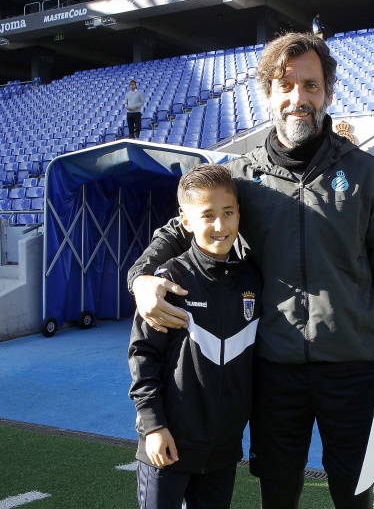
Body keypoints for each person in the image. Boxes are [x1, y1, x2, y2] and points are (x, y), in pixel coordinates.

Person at [127, 32, 374, 509]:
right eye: (285, 85)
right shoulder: (242, 177)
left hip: (352, 368)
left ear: (327, 92)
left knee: (355, 492)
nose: (298, 97)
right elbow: (179, 228)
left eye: (310, 85)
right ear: (268, 93)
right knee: (278, 493)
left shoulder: (367, 175)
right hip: (272, 371)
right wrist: (141, 279)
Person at [128, 164, 262, 509]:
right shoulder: (169, 281)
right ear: (186, 222)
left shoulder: (252, 280)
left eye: (228, 213)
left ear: (239, 214)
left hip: (223, 452)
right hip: (168, 446)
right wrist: (153, 426)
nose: (220, 226)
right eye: (207, 215)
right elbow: (143, 356)